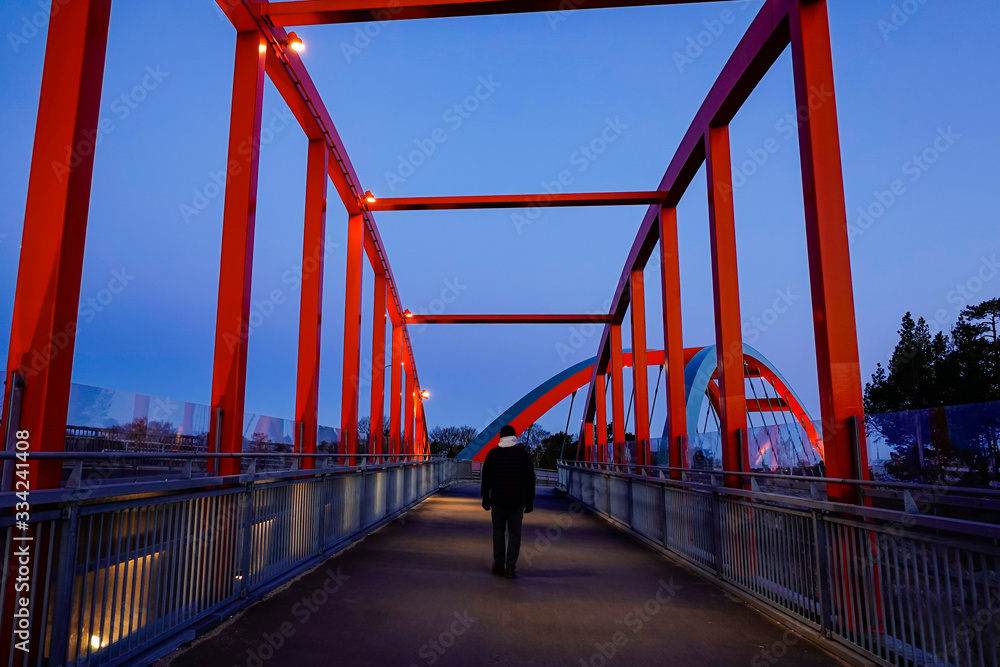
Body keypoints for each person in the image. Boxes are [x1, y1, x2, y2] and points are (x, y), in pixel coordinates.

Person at [480, 424, 535, 578]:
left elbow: (486, 478)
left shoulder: (493, 454)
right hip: (517, 502)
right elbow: (530, 480)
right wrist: (530, 501)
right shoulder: (523, 455)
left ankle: (499, 564)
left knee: (498, 532)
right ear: (514, 437)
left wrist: (485, 498)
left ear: (501, 437)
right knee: (514, 535)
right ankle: (510, 568)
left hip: (498, 501)